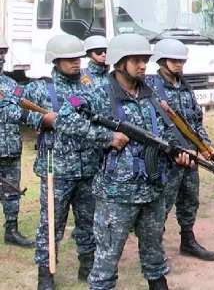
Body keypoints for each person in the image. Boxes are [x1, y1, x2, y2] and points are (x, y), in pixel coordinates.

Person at [53, 33, 194, 290]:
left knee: (154, 253)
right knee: (107, 260)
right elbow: (63, 120)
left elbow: (161, 134)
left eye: (145, 60)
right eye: (136, 60)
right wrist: (105, 136)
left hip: (152, 191)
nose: (143, 65)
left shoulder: (150, 96)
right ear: (119, 63)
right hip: (116, 195)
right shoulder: (98, 94)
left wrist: (179, 153)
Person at [22, 35, 102, 289]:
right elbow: (13, 111)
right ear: (56, 60)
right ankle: (46, 272)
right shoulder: (39, 89)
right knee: (52, 223)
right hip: (55, 168)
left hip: (87, 167)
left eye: (78, 58)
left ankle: (87, 265)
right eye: (69, 59)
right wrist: (41, 121)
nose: (76, 63)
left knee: (88, 220)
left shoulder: (88, 87)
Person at [146, 38, 214, 261]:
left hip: (191, 156)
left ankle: (188, 240)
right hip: (166, 159)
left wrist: (205, 146)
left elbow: (195, 122)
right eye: (173, 60)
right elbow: (150, 126)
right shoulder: (150, 87)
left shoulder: (185, 87)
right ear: (162, 60)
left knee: (189, 201)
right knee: (161, 204)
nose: (178, 65)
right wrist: (175, 151)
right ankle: (153, 248)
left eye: (181, 61)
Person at [0, 35, 36, 248]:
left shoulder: (12, 84)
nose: (1, 58)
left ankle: (11, 229)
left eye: (2, 53)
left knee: (12, 189)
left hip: (10, 146)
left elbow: (21, 111)